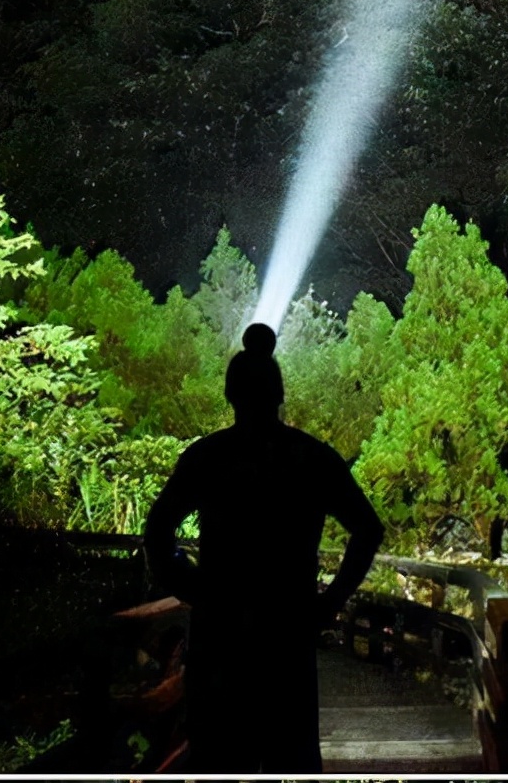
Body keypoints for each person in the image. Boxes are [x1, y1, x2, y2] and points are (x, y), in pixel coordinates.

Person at [143, 322, 384, 773]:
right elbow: (367, 529)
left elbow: (157, 531)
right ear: (279, 395)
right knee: (287, 755)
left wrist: (190, 584)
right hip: (287, 633)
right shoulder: (312, 458)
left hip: (220, 635)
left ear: (231, 394)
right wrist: (330, 601)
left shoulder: (206, 458)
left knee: (217, 756)